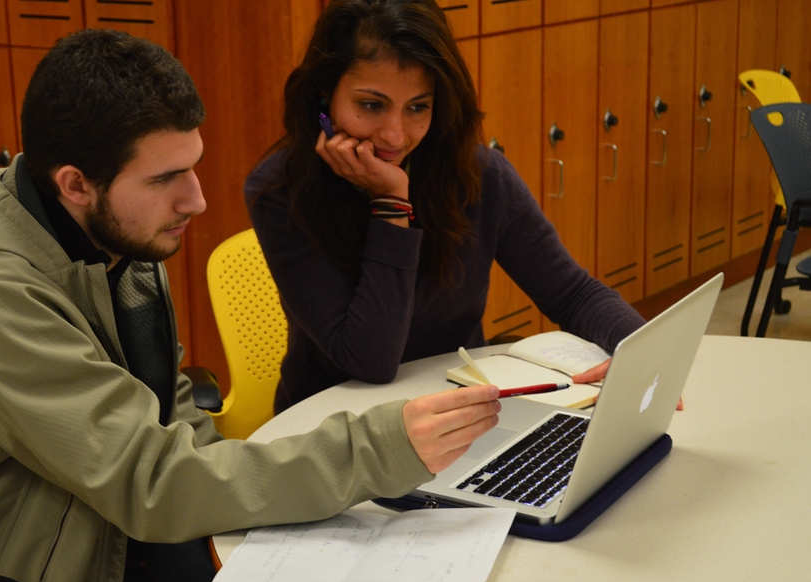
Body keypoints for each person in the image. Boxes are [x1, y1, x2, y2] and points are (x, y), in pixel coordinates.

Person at [0, 29, 502, 582]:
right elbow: (151, 481)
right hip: (31, 577)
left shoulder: (118, 244)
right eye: (166, 178)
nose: (196, 199)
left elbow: (175, 438)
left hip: (112, 535)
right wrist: (378, 449)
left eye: (191, 165)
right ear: (76, 184)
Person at [246, 0, 647, 414]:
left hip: (464, 410)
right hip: (336, 431)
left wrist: (644, 358)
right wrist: (390, 205)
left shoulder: (477, 173)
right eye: (371, 105)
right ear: (324, 97)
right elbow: (370, 361)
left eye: (418, 107)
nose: (395, 135)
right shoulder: (280, 192)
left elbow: (572, 294)